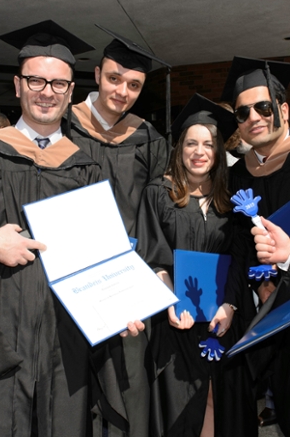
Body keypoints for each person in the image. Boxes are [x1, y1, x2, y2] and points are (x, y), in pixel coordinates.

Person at [0, 20, 130, 436]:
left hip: (64, 340)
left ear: (71, 92)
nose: (46, 91)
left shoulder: (87, 165)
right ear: (17, 85)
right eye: (36, 80)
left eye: (58, 83)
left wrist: (119, 305)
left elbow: (106, 249)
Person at [67, 25, 171, 437]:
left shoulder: (147, 138)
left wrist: (159, 268)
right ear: (96, 75)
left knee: (130, 382)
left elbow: (157, 213)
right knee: (71, 385)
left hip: (125, 280)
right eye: (114, 79)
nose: (122, 91)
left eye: (133, 84)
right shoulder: (62, 126)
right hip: (69, 278)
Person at [136, 94, 257, 436]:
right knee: (182, 406)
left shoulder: (231, 198)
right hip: (177, 320)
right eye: (191, 143)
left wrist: (231, 305)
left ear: (219, 152)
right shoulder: (159, 194)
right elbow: (152, 254)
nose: (199, 151)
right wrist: (169, 300)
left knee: (220, 401)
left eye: (208, 144)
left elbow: (239, 256)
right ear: (180, 149)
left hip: (223, 318)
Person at [216, 56, 290, 433]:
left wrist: (289, 257)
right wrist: (229, 302)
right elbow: (233, 248)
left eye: (263, 107)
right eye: (242, 113)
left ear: (283, 109)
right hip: (252, 319)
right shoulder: (234, 176)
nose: (253, 118)